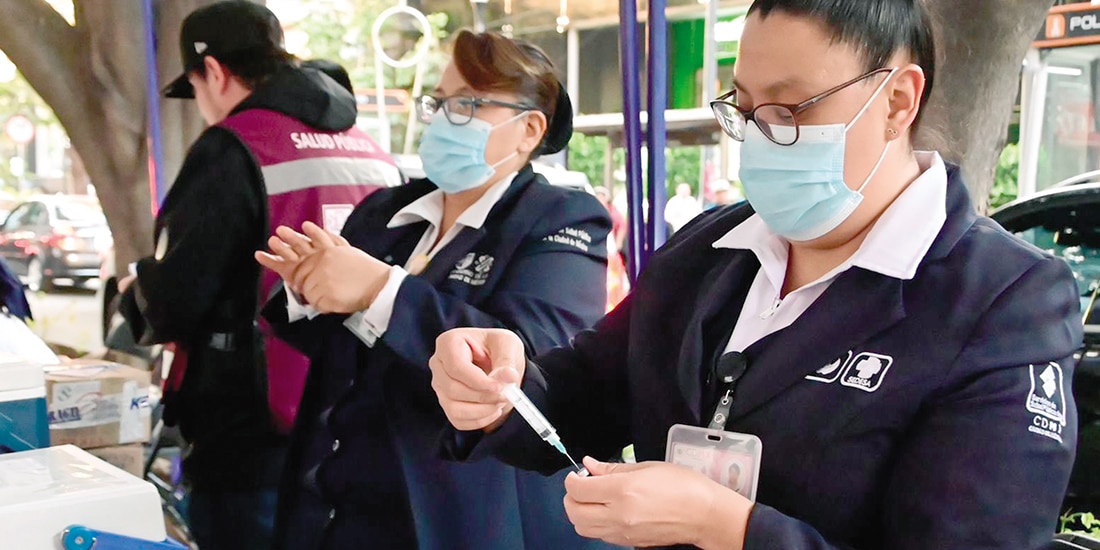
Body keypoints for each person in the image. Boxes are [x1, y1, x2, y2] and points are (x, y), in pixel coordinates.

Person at [427, 1, 1083, 549]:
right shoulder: (708, 250)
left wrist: (730, 528)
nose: (762, 135)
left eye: (790, 109)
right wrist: (503, 391)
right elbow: (591, 387)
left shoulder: (1002, 303)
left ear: (896, 101)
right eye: (744, 108)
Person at [256, 30, 619, 550]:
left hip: (450, 511)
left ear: (529, 129)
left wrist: (379, 290)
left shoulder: (561, 219)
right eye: (440, 102)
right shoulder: (386, 211)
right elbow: (348, 347)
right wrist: (310, 287)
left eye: (468, 104)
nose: (446, 118)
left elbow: (525, 357)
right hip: (336, 497)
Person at [116, 2, 401, 549]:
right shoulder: (368, 148)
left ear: (214, 71)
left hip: (250, 425)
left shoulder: (233, 146)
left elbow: (179, 296)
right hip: (353, 409)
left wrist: (132, 294)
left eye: (195, 87)